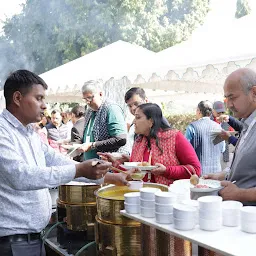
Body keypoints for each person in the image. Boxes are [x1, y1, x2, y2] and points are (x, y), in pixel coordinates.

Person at [0, 70, 131, 256]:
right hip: (13, 243)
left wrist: (109, 177)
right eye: (39, 98)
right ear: (18, 98)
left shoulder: (29, 133)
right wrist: (79, 169)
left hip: (32, 239)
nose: (44, 106)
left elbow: (58, 161)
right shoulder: (3, 132)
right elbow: (20, 176)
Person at [100, 103, 201, 185]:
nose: (134, 122)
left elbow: (196, 170)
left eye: (138, 117)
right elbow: (131, 175)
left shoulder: (174, 137)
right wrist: (114, 163)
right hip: (141, 196)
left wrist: (166, 170)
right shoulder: (139, 141)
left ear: (151, 121)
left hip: (166, 197)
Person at [204, 68, 256, 205]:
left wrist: (240, 194)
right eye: (227, 98)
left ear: (254, 93)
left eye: (232, 97)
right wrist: (223, 176)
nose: (229, 105)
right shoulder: (247, 124)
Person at [78, 80, 128, 160]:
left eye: (90, 98)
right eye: (85, 99)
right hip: (92, 163)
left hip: (111, 163)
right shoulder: (89, 111)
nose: (88, 102)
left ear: (100, 94)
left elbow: (120, 139)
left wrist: (93, 145)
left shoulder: (111, 109)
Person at [124, 87, 170, 153]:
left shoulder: (157, 119)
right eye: (130, 106)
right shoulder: (133, 123)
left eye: (136, 104)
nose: (133, 108)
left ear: (146, 100)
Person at [185, 100, 225, 175]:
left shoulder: (192, 127)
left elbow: (186, 151)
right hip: (216, 172)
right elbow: (222, 149)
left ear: (199, 111)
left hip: (198, 173)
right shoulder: (218, 127)